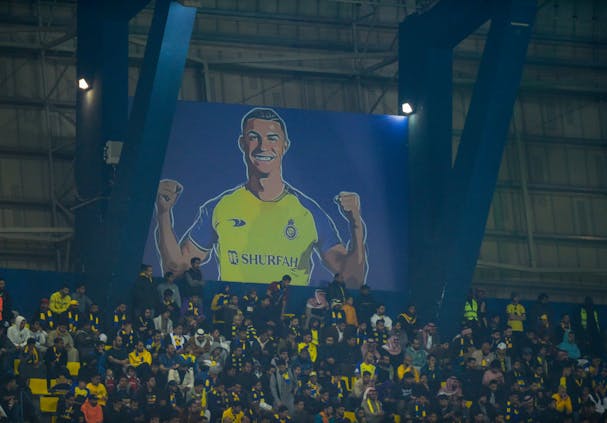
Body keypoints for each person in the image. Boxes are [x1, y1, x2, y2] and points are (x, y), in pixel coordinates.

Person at [155, 107, 367, 287]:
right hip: (234, 316)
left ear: (285, 146)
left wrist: (356, 225)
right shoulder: (220, 207)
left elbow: (352, 280)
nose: (263, 146)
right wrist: (164, 214)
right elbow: (177, 269)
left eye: (272, 138)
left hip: (288, 317)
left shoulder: (309, 212)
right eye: (254, 138)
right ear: (242, 144)